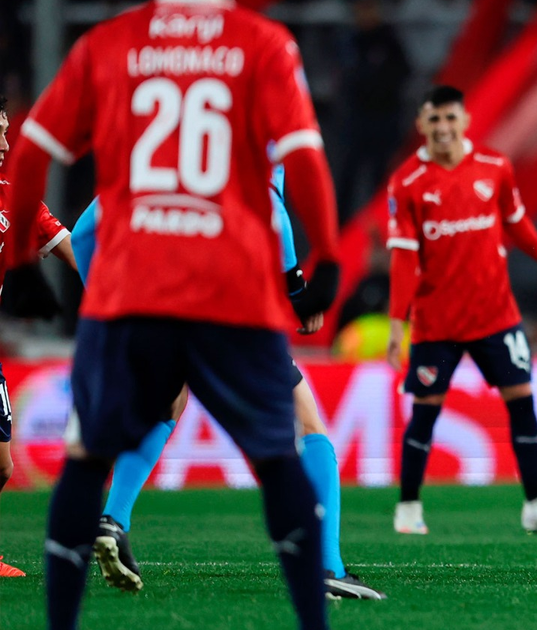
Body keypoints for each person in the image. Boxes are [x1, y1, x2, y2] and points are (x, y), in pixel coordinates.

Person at [6, 2, 341, 628]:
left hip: (132, 292)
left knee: (86, 456)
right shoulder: (262, 43)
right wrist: (319, 265)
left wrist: (26, 266)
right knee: (280, 451)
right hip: (229, 291)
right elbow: (302, 157)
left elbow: (31, 151)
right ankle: (319, 594)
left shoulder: (109, 44)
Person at [74, 165, 384, 600]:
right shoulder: (245, 130)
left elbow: (83, 234)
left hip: (156, 305)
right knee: (305, 420)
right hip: (228, 305)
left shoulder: (149, 149)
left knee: (170, 401)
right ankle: (326, 566)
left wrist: (106, 300)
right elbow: (271, 206)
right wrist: (297, 289)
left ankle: (113, 520)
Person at [386, 85, 537, 536]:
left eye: (450, 117)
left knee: (522, 401)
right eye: (434, 119)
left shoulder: (495, 167)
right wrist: (398, 325)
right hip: (438, 322)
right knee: (426, 410)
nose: (443, 127)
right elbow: (404, 258)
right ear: (421, 125)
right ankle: (409, 507)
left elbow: (515, 219)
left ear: (465, 121)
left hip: (496, 316)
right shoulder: (408, 183)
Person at [0, 93, 78, 579]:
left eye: (7, 133)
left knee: (2, 467)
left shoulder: (14, 194)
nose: (6, 144)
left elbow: (71, 249)